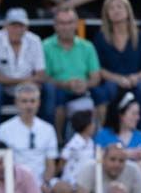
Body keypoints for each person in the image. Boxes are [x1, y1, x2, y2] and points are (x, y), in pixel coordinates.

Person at [0, 82, 64, 193]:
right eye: (24, 101)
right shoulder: (4, 129)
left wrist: (45, 183)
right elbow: (3, 164)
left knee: (67, 191)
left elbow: (50, 164)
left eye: (32, 101)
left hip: (43, 181)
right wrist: (31, 185)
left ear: (39, 103)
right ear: (16, 103)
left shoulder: (48, 129)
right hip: (16, 181)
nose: (29, 106)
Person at [0, 8, 46, 136]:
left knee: (48, 89)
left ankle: (46, 133)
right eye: (13, 25)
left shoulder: (35, 40)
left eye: (20, 26)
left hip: (26, 89)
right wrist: (24, 80)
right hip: (2, 90)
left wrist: (26, 82)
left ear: (26, 27)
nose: (17, 30)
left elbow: (40, 75)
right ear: (5, 26)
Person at [41, 7, 102, 138]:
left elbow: (96, 77)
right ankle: (57, 140)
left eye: (69, 22)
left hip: (83, 90)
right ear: (55, 25)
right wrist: (65, 84)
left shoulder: (87, 46)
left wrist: (85, 84)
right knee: (53, 93)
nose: (66, 27)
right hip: (58, 90)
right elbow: (43, 77)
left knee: (102, 93)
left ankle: (99, 137)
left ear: (76, 24)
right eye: (62, 23)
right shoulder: (45, 46)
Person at [92, 0, 141, 131]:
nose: (116, 11)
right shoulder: (101, 37)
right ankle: (111, 130)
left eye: (119, 7)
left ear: (127, 10)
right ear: (107, 14)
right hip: (112, 80)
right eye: (111, 8)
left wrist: (135, 77)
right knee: (109, 88)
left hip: (133, 81)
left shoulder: (140, 36)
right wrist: (118, 79)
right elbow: (99, 69)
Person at [94, 91, 141, 193]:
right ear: (121, 115)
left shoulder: (140, 137)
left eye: (138, 114)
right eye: (134, 114)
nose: (138, 118)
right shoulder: (103, 135)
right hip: (109, 178)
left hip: (136, 182)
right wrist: (127, 154)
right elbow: (97, 158)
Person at [58, 109, 96, 193]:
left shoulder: (91, 142)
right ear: (86, 126)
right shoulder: (74, 143)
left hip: (87, 179)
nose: (94, 126)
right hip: (72, 181)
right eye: (92, 123)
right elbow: (62, 162)